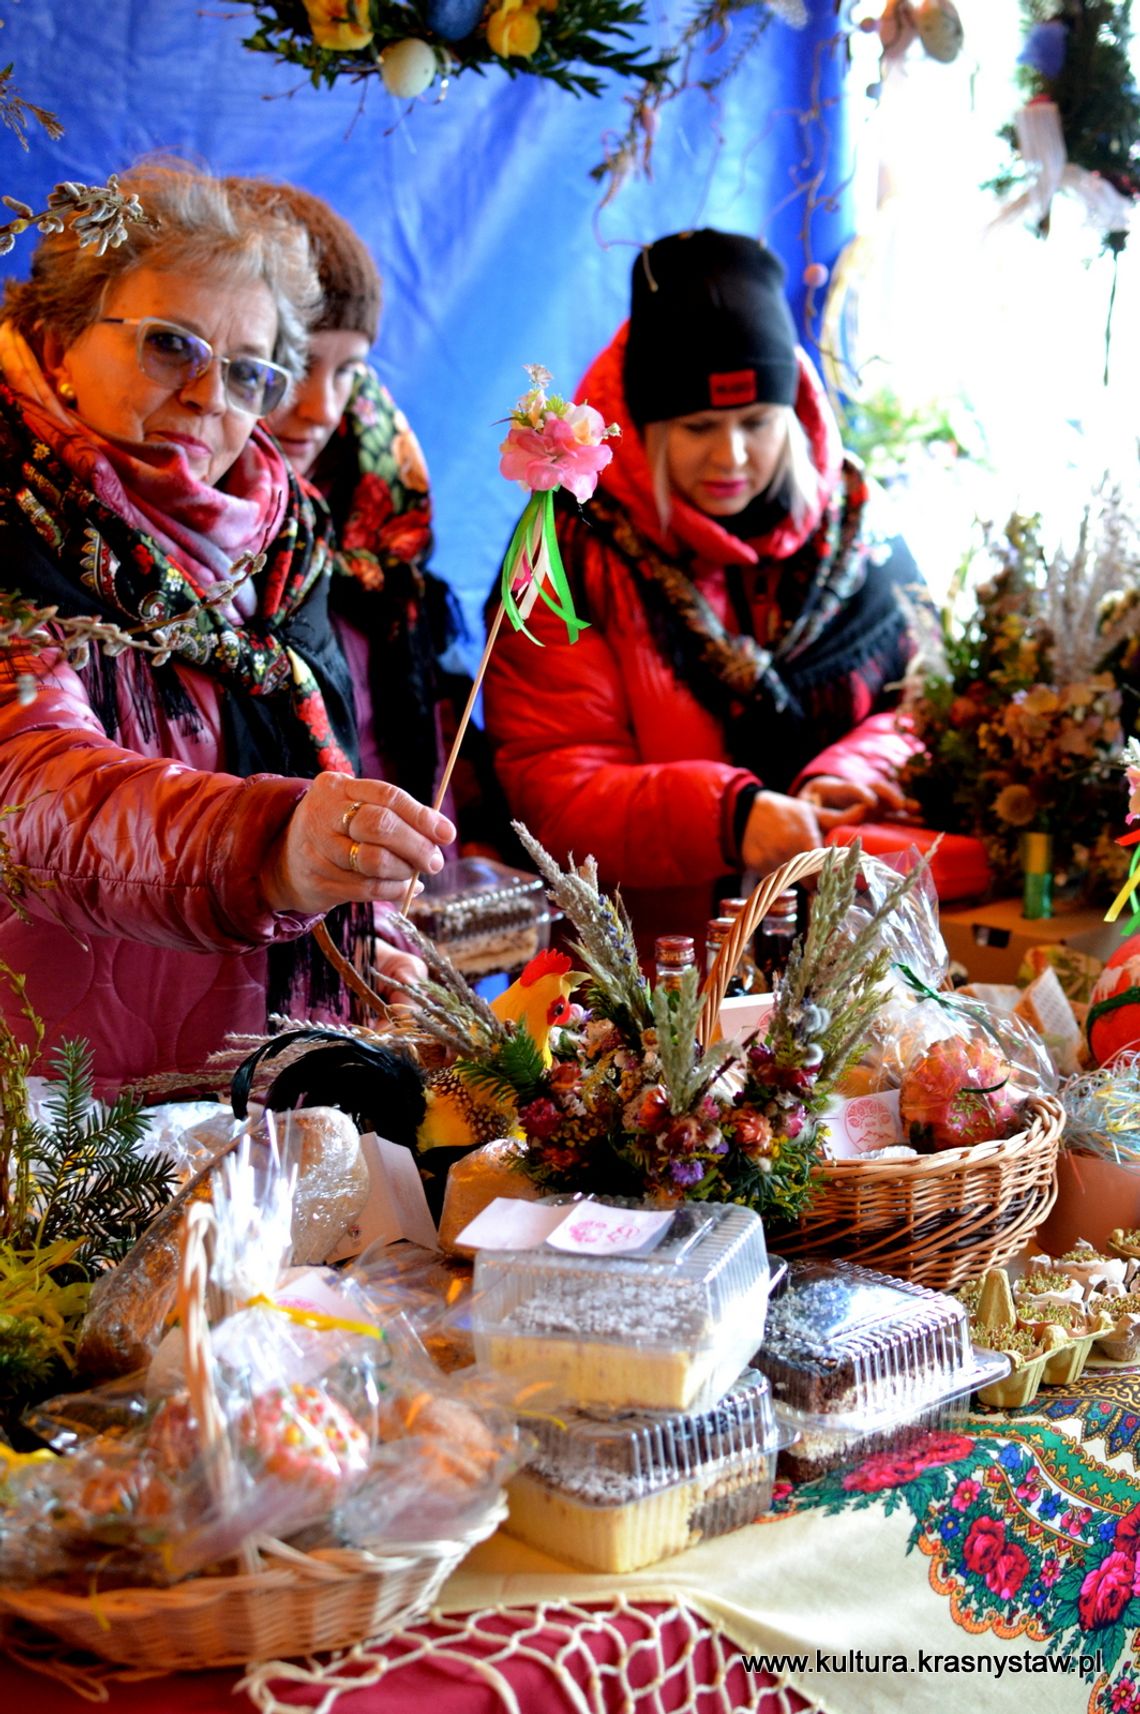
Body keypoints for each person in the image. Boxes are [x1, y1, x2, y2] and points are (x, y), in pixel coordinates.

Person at [0, 161, 454, 1094]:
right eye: (172, 345)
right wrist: (273, 846)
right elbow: (32, 789)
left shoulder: (280, 553)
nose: (212, 398)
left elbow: (323, 793)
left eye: (249, 373)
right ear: (59, 340)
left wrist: (364, 943)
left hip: (252, 1101)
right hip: (62, 1120)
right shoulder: (13, 527)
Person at [483, 228, 919, 958]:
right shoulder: (567, 554)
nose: (733, 456)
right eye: (699, 427)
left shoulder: (859, 531)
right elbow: (551, 788)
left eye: (756, 422)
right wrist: (729, 817)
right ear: (645, 425)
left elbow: (923, 706)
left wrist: (845, 776)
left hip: (857, 960)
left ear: (795, 412)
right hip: (654, 994)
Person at [243, 178, 514, 857]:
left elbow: (436, 709)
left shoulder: (385, 517)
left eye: (348, 371)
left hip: (403, 909)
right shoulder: (198, 547)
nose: (321, 407)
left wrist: (475, 838)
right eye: (294, 362)